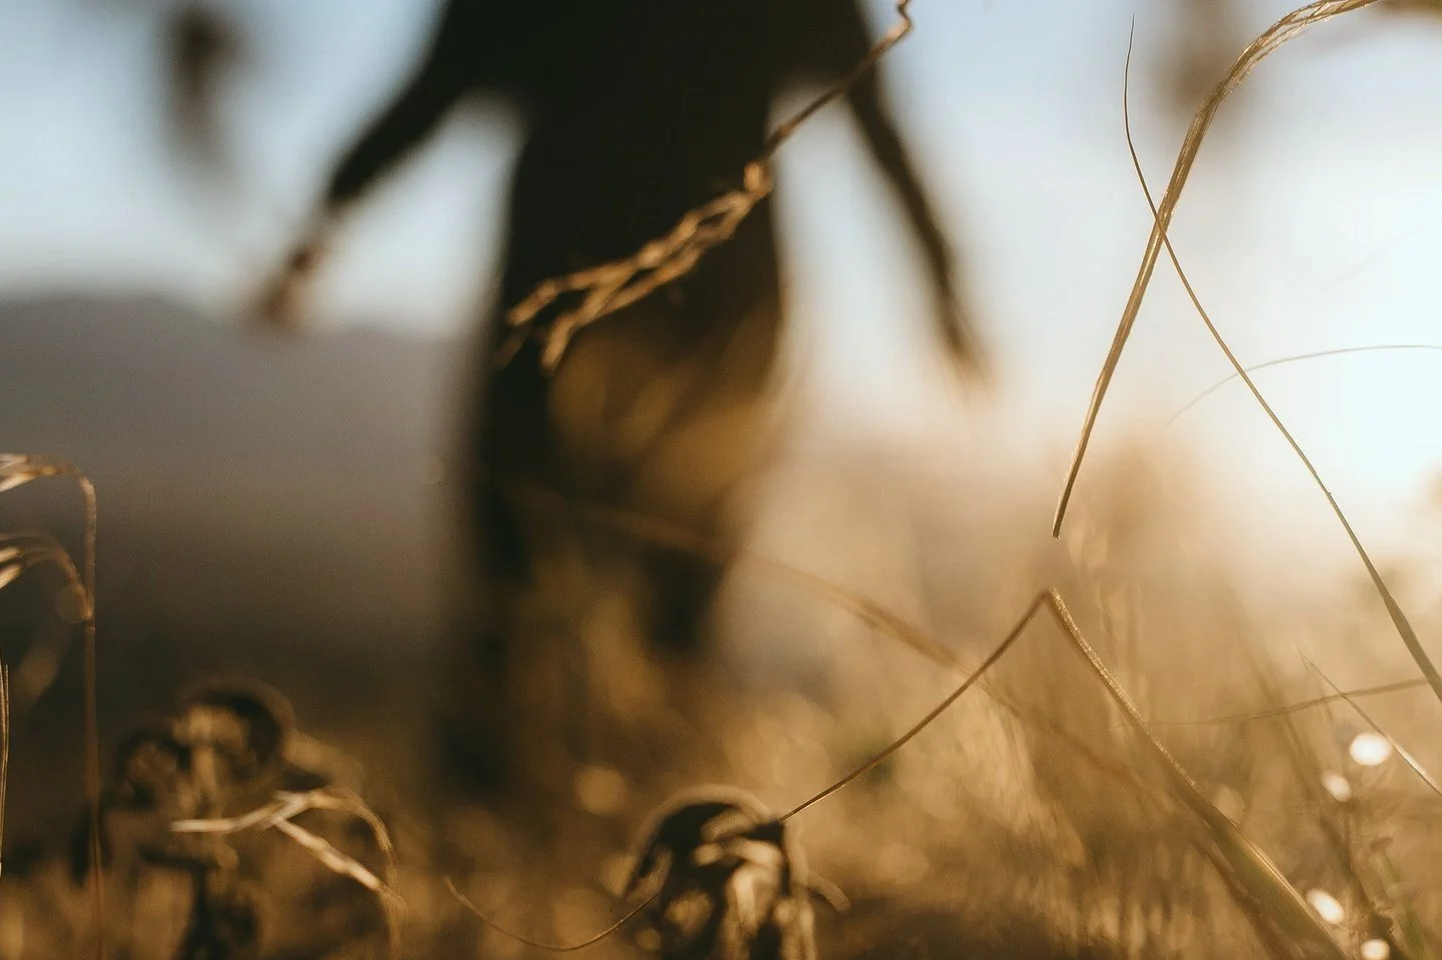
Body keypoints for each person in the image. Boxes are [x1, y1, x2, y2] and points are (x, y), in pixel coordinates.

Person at [262, 0, 976, 803]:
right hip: (712, 306)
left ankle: (536, 814)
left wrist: (319, 228)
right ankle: (637, 820)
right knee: (662, 589)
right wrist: (944, 286)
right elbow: (878, 122)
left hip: (570, 293)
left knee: (521, 577)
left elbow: (432, 95)